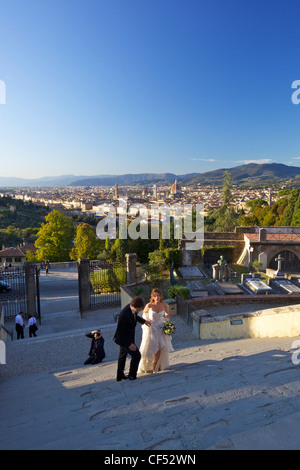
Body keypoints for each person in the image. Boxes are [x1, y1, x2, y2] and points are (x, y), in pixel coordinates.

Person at [113, 297, 151, 381]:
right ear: (135, 307)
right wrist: (129, 344)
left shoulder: (131, 309)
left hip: (128, 337)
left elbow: (135, 317)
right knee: (136, 355)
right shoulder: (124, 314)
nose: (140, 310)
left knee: (122, 355)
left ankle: (120, 375)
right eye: (140, 308)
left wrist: (144, 321)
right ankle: (132, 375)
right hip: (124, 339)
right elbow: (120, 332)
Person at [138, 288, 174, 374]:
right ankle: (149, 365)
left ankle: (156, 365)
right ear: (152, 297)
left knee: (161, 346)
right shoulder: (149, 305)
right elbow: (144, 314)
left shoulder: (164, 305)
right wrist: (146, 319)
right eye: (155, 296)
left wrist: (168, 323)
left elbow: (167, 314)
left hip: (161, 327)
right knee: (151, 347)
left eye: (158, 295)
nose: (157, 297)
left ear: (161, 296)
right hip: (152, 327)